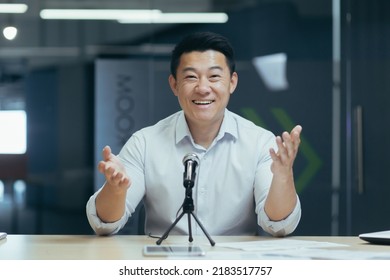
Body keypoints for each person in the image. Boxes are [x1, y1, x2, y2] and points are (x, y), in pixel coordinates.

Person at [86, 31, 302, 237]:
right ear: (174, 84)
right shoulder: (145, 143)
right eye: (191, 77)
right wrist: (115, 190)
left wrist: (284, 177)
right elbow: (104, 224)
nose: (203, 88)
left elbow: (278, 225)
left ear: (232, 82)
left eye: (214, 76)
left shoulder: (260, 143)